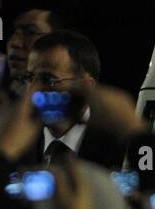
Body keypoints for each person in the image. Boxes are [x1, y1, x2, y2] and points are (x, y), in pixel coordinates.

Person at [14, 29, 125, 168]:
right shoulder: (14, 143)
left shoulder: (120, 147)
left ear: (86, 87)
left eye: (47, 79)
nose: (32, 91)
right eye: (29, 78)